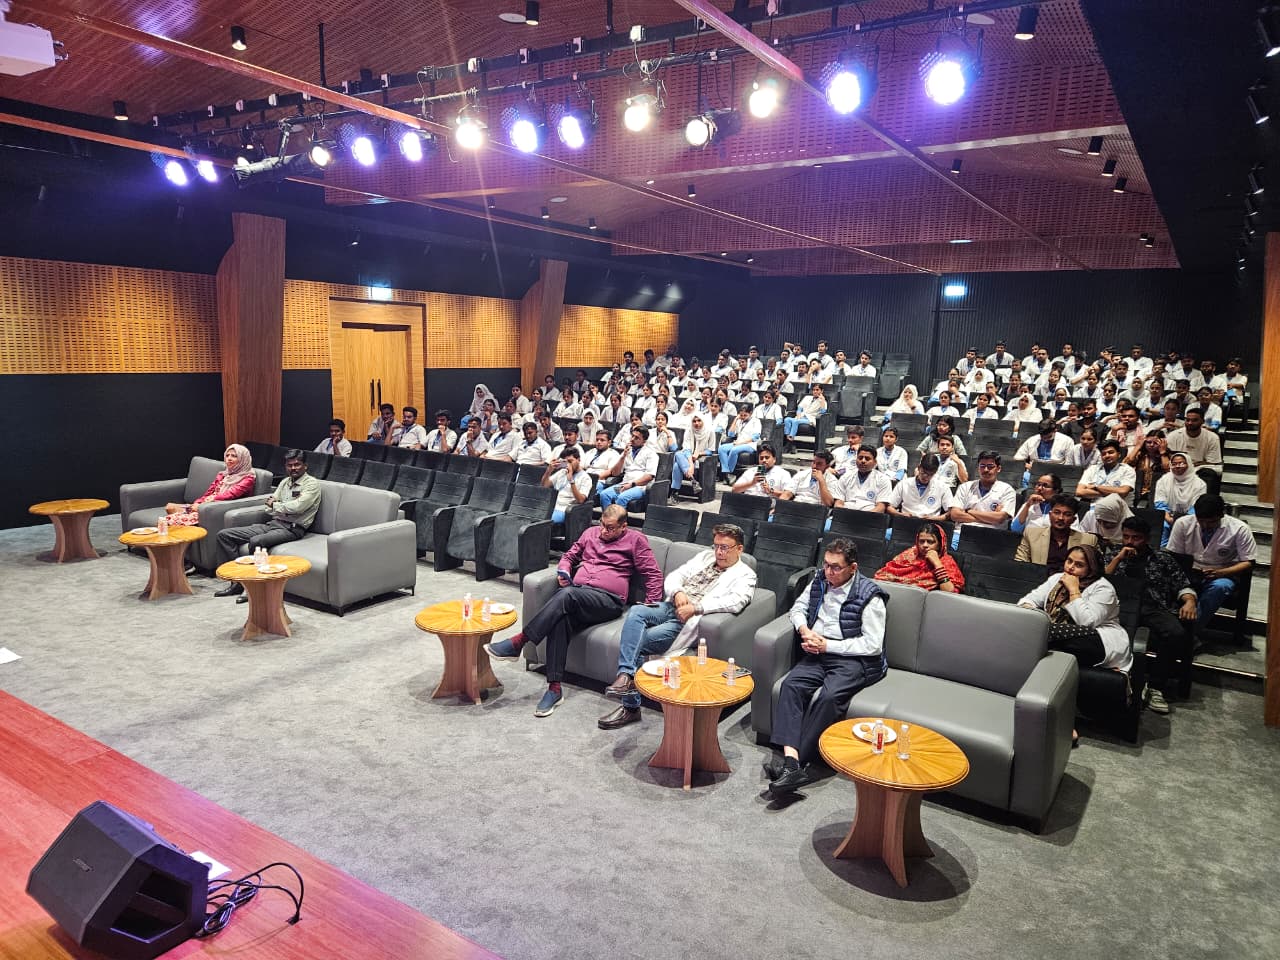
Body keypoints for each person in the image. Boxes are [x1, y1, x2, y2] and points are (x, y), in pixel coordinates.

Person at [485, 506, 663, 717]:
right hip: (580, 595)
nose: (603, 531)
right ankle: (554, 689)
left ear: (623, 527)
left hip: (608, 600)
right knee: (560, 619)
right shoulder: (590, 533)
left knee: (567, 595)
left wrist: (650, 608)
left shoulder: (635, 540)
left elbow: (653, 574)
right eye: (602, 525)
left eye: (610, 528)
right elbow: (569, 556)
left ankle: (519, 641)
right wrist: (564, 570)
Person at [599, 524, 758, 729]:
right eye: (716, 546)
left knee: (637, 642)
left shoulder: (745, 575)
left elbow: (736, 601)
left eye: (725, 547)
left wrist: (696, 608)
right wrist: (677, 592)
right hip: (670, 606)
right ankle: (626, 676)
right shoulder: (705, 557)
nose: (719, 552)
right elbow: (675, 576)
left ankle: (630, 706)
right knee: (637, 611)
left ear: (739, 549)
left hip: (687, 620)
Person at [766, 539, 888, 794]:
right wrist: (805, 631)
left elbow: (872, 645)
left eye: (836, 567)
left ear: (852, 568)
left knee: (829, 697)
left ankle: (795, 763)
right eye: (826, 565)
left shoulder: (870, 595)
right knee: (791, 685)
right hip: (818, 651)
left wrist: (827, 646)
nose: (829, 572)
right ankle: (791, 764)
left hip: (854, 658)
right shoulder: (819, 580)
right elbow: (798, 609)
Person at [1018, 544, 1131, 746]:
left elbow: (1087, 622)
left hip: (1099, 640)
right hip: (1060, 638)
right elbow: (1027, 601)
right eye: (1069, 561)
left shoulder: (1103, 588)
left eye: (1079, 565)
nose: (1070, 567)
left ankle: (1053, 720)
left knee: (1043, 636)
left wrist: (1074, 590)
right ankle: (1060, 721)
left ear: (1092, 568)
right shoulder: (1056, 579)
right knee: (1048, 650)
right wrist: (1032, 611)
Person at [1102, 516, 1197, 715]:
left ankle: (1155, 687)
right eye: (1126, 536)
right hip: (1120, 607)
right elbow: (1100, 582)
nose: (1129, 542)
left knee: (1176, 633)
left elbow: (1183, 585)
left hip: (1153, 607)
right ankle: (1111, 683)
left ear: (1146, 538)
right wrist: (1118, 559)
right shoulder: (1113, 554)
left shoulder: (1162, 559)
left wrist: (1190, 601)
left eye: (1135, 538)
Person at [214, 451, 321, 600]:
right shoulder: (285, 482)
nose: (293, 468)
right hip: (273, 523)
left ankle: (253, 586)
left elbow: (298, 507)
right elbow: (268, 506)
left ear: (305, 466)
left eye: (297, 464)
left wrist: (277, 506)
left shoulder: (312, 484)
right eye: (289, 465)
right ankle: (238, 582)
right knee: (224, 535)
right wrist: (280, 507)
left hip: (293, 529)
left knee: (256, 541)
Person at [1166, 494, 1257, 631]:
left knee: (1220, 587)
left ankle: (1189, 631)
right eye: (1201, 521)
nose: (1205, 525)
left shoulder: (1239, 529)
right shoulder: (1183, 523)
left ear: (1222, 515)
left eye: (1211, 522)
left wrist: (1221, 573)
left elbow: (1249, 562)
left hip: (1223, 574)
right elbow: (1174, 556)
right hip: (1188, 572)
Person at [165, 444, 256, 526]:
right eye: (227, 455)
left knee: (169, 521)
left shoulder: (248, 478)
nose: (229, 458)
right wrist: (198, 502)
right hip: (207, 504)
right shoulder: (223, 474)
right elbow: (209, 492)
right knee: (169, 509)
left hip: (219, 507)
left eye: (234, 456)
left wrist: (204, 505)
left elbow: (231, 494)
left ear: (243, 459)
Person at [1015, 495, 1098, 573]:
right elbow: (1020, 563)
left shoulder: (1088, 540)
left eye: (1067, 514)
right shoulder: (1031, 534)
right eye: (1057, 512)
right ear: (1050, 515)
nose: (1061, 518)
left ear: (1073, 519)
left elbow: (1094, 571)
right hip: (1037, 579)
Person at [874, 522, 964, 593]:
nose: (925, 545)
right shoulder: (910, 555)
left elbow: (949, 592)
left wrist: (937, 564)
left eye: (930, 542)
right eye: (921, 541)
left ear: (940, 544)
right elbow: (881, 576)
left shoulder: (946, 562)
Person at [951, 451, 1016, 528]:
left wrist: (968, 511)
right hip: (961, 531)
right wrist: (990, 519)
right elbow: (954, 515)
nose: (985, 470)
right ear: (978, 468)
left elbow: (999, 518)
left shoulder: (1007, 490)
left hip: (990, 533)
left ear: (998, 469)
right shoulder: (965, 487)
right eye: (982, 466)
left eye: (990, 466)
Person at [1153, 451, 1206, 546]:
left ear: (1189, 464)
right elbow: (1160, 504)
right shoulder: (1164, 480)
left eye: (1181, 463)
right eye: (1174, 464)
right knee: (1163, 525)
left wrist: (1180, 521)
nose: (1177, 466)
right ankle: (1163, 552)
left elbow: (1197, 507)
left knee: (1192, 527)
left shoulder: (1200, 484)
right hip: (1167, 516)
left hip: (1190, 517)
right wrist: (1169, 519)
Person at [598, 426, 658, 508]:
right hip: (624, 484)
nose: (632, 439)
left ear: (644, 441)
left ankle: (618, 517)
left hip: (640, 487)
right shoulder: (627, 451)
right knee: (604, 495)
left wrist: (632, 484)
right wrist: (623, 457)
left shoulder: (651, 454)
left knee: (621, 498)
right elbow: (615, 473)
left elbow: (649, 476)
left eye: (637, 438)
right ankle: (608, 516)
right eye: (632, 436)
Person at [1164, 409, 1223, 488]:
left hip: (1200, 470)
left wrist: (1192, 465)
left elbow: (1211, 462)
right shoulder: (1173, 436)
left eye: (1194, 420)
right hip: (1177, 467)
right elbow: (1169, 456)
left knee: (1209, 473)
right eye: (1187, 420)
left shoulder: (1212, 437)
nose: (1190, 423)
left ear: (1202, 421)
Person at [888, 453, 954, 521]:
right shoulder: (904, 484)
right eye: (923, 472)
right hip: (906, 521)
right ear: (919, 468)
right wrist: (900, 514)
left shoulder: (943, 487)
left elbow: (950, 512)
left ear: (935, 472)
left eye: (930, 474)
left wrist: (935, 518)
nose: (925, 476)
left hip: (931, 523)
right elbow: (889, 507)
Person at [542, 446, 592, 524]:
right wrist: (549, 470)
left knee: (543, 521)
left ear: (578, 460)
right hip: (551, 506)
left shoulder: (586, 478)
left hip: (565, 510)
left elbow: (581, 500)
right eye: (566, 462)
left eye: (570, 461)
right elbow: (545, 485)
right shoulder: (562, 472)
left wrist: (571, 480)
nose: (568, 464)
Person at [1076, 440, 1135, 504]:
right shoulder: (1092, 469)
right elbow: (1079, 492)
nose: (1107, 456)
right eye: (1103, 454)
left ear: (1119, 454)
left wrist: (1096, 487)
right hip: (1094, 505)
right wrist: (1113, 492)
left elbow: (1123, 492)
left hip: (1118, 507)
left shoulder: (1127, 470)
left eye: (1111, 452)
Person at [838, 446, 891, 512]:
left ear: (875, 462)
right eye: (860, 458)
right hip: (845, 513)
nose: (863, 461)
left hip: (870, 515)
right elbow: (838, 503)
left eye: (867, 459)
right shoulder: (846, 477)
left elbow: (881, 507)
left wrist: (864, 516)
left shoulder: (883, 479)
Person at [718, 404, 763, 477]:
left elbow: (755, 437)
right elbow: (730, 434)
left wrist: (740, 443)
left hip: (750, 444)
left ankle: (730, 473)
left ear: (750, 413)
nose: (743, 417)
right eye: (741, 415)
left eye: (745, 415)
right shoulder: (739, 421)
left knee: (734, 450)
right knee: (721, 449)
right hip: (738, 443)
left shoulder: (756, 421)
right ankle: (726, 472)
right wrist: (735, 419)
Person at [1126, 430, 1169, 507]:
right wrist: (1138, 447)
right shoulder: (1140, 455)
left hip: (1158, 492)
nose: (1151, 445)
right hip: (1139, 491)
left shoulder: (1168, 456)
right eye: (1149, 442)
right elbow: (1127, 464)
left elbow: (1168, 470)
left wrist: (1163, 452)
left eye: (1155, 443)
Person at [782, 384, 828, 452]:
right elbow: (799, 408)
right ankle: (789, 440)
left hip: (811, 419)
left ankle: (789, 443)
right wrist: (798, 415)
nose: (815, 391)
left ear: (821, 391)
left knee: (795, 421)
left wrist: (822, 401)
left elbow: (823, 412)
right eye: (814, 390)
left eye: (817, 390)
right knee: (787, 419)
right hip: (801, 416)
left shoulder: (823, 401)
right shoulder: (807, 397)